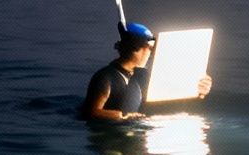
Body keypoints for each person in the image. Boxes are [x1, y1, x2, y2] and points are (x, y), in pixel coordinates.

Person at [78, 22, 210, 122]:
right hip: (111, 137)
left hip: (139, 132)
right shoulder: (105, 77)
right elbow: (90, 113)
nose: (152, 54)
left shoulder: (146, 77)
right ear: (136, 48)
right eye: (151, 49)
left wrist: (198, 90)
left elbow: (172, 104)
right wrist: (122, 117)